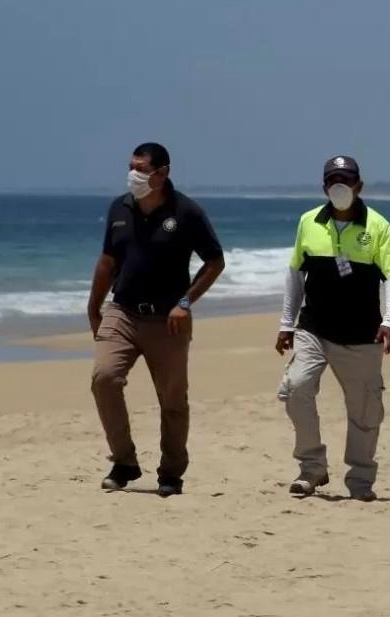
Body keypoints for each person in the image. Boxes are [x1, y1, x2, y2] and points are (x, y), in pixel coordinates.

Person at [87, 142, 225, 497]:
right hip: (123, 311)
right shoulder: (119, 208)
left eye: (141, 169)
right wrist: (93, 307)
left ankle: (171, 473)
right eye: (131, 166)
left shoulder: (187, 212)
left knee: (173, 400)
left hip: (169, 319)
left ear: (162, 173)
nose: (133, 174)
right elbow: (107, 262)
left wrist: (184, 302)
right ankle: (125, 462)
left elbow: (214, 262)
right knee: (104, 378)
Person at [275, 155, 390, 502]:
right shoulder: (308, 222)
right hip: (314, 329)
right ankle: (311, 468)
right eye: (333, 180)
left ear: (359, 186)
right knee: (296, 388)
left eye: (346, 179)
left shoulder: (377, 226)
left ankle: (361, 480)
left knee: (365, 410)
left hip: (363, 335)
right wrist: (286, 323)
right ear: (324, 187)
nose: (340, 186)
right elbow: (294, 274)